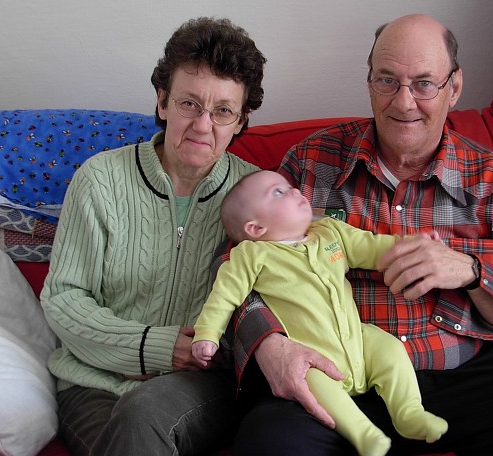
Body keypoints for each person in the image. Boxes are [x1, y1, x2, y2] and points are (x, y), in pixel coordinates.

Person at [229, 14, 493, 455]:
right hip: (340, 372)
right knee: (269, 444)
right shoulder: (311, 163)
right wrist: (269, 343)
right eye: (388, 80)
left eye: (424, 84)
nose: (404, 103)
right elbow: (234, 266)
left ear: (454, 87)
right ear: (370, 82)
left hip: (466, 377)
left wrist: (472, 272)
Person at [40, 16, 266, 456]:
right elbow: (64, 299)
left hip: (201, 387)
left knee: (142, 416)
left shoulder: (256, 195)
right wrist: (154, 348)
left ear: (240, 121)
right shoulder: (100, 180)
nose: (203, 125)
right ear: (162, 101)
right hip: (94, 383)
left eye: (222, 111)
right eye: (189, 104)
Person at [191, 169, 448, 456]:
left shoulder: (330, 232)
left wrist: (412, 245)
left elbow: (374, 247)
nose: (294, 191)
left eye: (289, 186)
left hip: (358, 340)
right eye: (278, 192)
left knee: (390, 349)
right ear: (256, 228)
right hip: (312, 356)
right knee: (311, 382)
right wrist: (207, 334)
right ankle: (364, 435)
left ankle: (409, 414)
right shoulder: (251, 256)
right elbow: (224, 296)